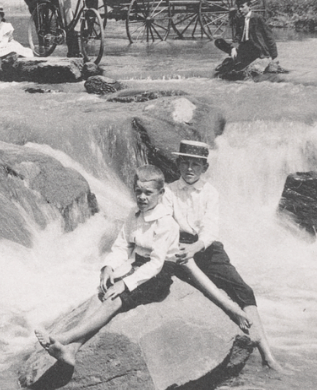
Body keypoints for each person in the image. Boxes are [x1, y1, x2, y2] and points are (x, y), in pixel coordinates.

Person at [34, 166, 178, 367]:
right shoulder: (134, 214)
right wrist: (108, 267)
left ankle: (65, 338)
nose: (142, 197)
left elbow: (156, 263)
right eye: (138, 192)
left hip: (158, 274)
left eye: (148, 193)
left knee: (115, 298)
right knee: (100, 294)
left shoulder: (166, 223)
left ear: (161, 194)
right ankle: (71, 351)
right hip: (138, 265)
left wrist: (125, 284)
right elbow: (122, 245)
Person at [165, 140, 286, 372]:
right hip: (178, 245)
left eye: (196, 165)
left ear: (205, 168)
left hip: (205, 246)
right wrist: (183, 248)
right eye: (185, 163)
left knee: (243, 290)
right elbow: (166, 225)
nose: (190, 169)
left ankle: (267, 355)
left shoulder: (210, 193)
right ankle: (232, 314)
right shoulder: (169, 191)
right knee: (201, 285)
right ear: (178, 164)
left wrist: (196, 246)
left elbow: (210, 230)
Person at [214, 0, 282, 79]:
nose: (240, 9)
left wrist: (273, 55)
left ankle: (239, 63)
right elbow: (237, 36)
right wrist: (233, 48)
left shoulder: (257, 18)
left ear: (249, 6)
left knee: (241, 65)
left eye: (242, 7)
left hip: (255, 48)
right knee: (219, 42)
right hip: (244, 47)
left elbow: (269, 36)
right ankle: (235, 59)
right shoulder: (240, 19)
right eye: (238, 7)